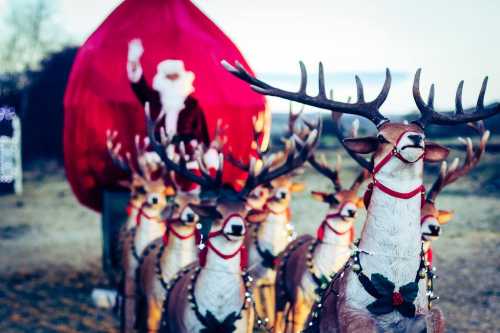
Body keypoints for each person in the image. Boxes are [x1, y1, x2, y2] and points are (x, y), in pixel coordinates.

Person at [127, 39, 209, 146]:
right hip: (156, 154)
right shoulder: (153, 100)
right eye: (168, 78)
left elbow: (202, 135)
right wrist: (133, 61)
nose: (172, 81)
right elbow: (138, 85)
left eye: (175, 77)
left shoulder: (193, 105)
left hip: (185, 156)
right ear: (162, 78)